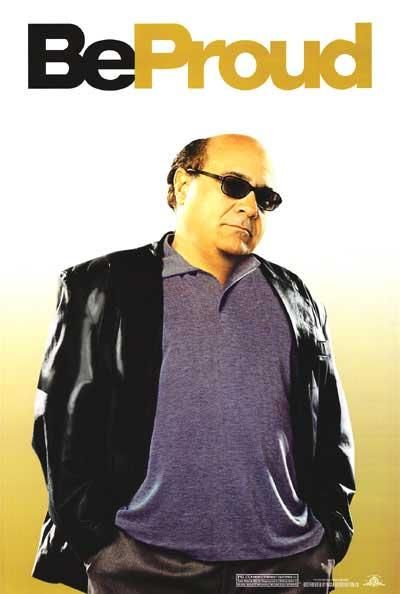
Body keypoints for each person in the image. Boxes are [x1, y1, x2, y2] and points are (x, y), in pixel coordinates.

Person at [31, 134, 356, 594]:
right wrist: (98, 546)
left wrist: (329, 536)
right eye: (234, 185)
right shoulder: (103, 285)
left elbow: (332, 431)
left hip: (287, 563)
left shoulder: (296, 296)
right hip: (143, 564)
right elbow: (60, 426)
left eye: (265, 198)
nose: (251, 207)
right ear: (183, 185)